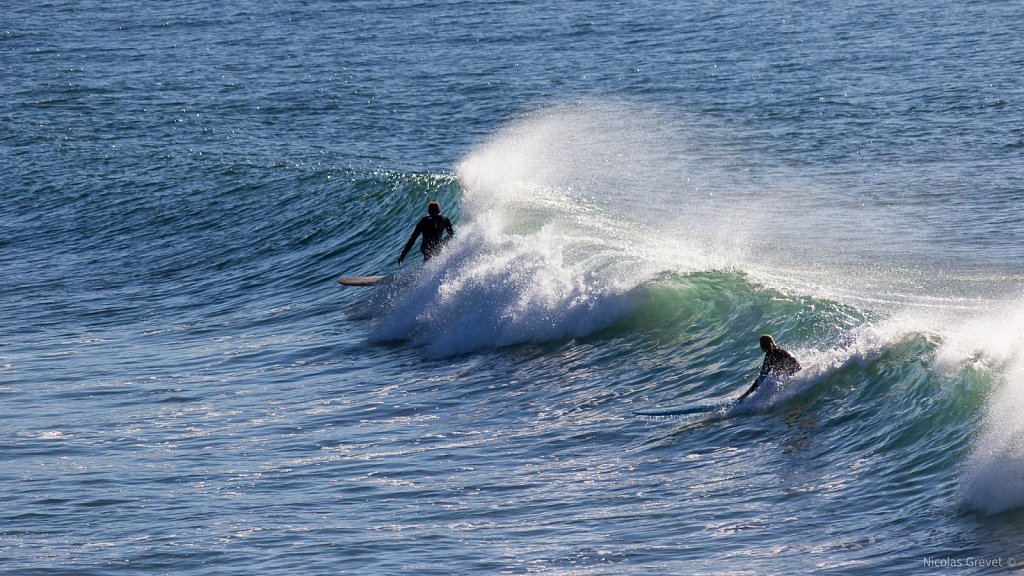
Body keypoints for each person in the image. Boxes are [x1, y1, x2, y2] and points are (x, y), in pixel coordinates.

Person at [737, 334, 801, 402]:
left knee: (774, 374)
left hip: (791, 374)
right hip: (797, 370)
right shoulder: (780, 349)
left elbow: (761, 378)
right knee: (775, 371)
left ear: (762, 346)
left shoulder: (770, 355)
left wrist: (746, 394)